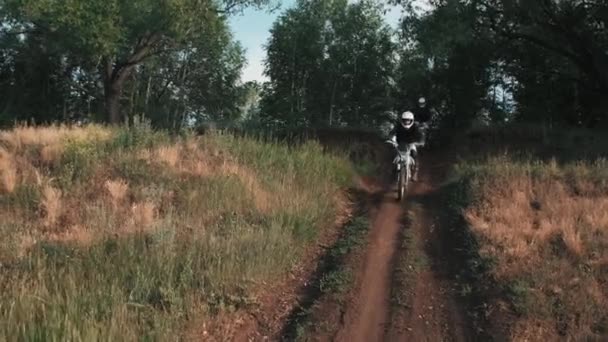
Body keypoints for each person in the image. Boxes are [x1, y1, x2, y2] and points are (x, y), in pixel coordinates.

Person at [387, 111, 425, 181]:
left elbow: (421, 136)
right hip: (399, 143)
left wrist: (421, 142)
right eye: (405, 120)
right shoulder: (398, 126)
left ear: (412, 120)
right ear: (402, 120)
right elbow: (391, 133)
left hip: (411, 144)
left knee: (414, 154)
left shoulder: (415, 127)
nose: (407, 122)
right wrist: (391, 139)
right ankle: (392, 172)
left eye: (408, 120)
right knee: (392, 154)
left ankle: (415, 173)